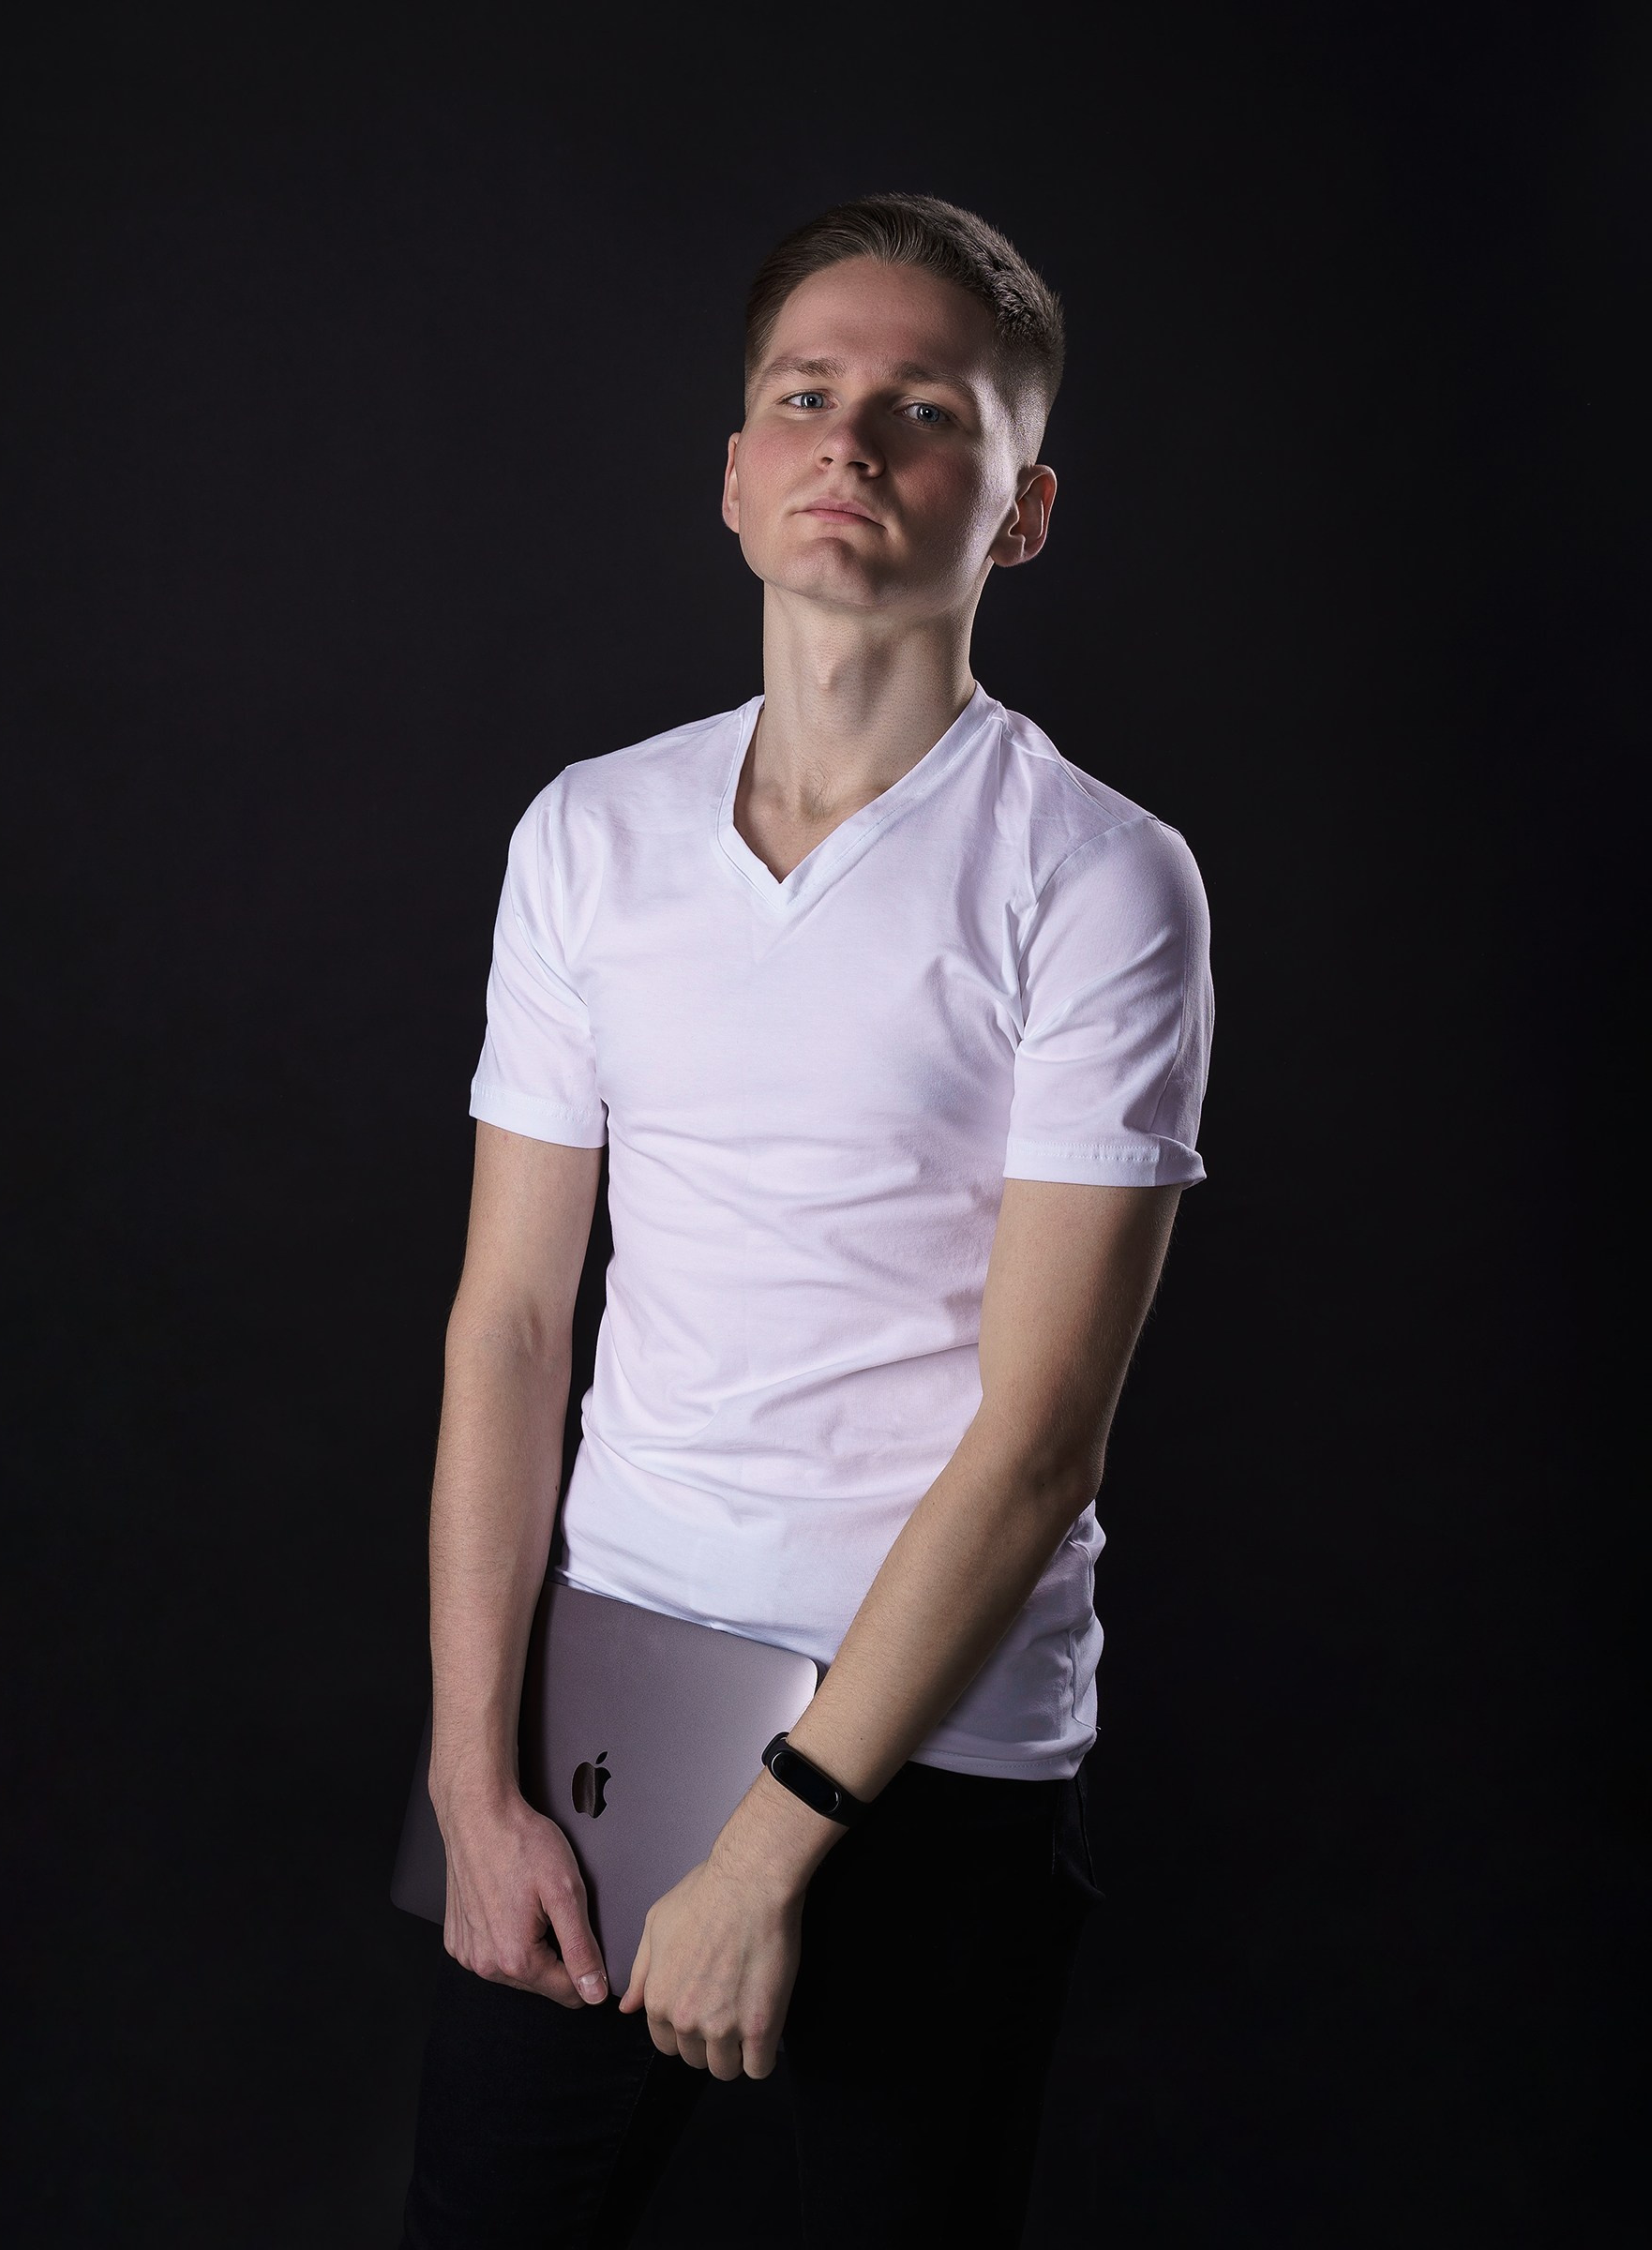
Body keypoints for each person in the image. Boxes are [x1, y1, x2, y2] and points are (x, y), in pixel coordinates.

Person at [398, 191, 1213, 2249]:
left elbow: (1040, 1435)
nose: (855, 441)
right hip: (607, 1727)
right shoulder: (590, 835)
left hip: (922, 1761)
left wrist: (775, 1851)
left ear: (1018, 512)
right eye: (809, 396)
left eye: (928, 410)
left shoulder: (1099, 881)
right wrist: (471, 1781)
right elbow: (508, 1322)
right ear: (741, 475)